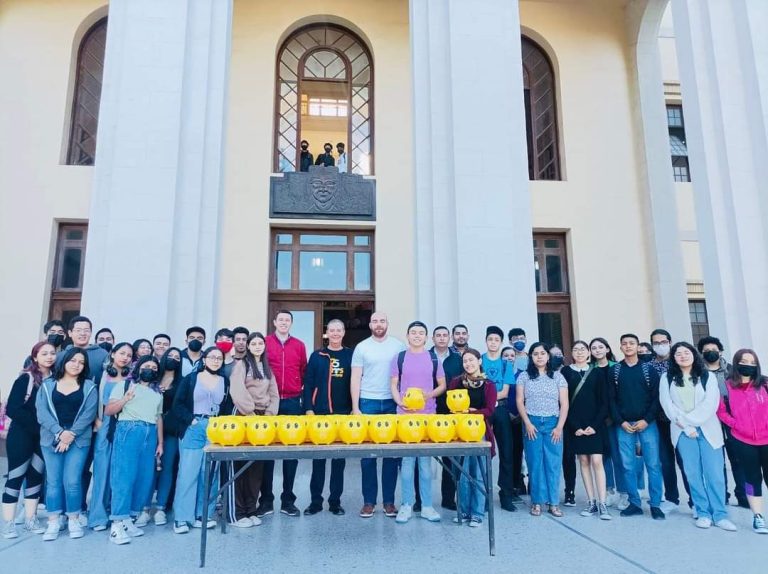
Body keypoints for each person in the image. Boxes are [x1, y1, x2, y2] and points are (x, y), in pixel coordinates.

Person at [660, 342, 736, 531]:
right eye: (678, 353)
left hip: (708, 429)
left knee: (715, 474)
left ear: (694, 355)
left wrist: (689, 422)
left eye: (686, 352)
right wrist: (686, 427)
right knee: (692, 474)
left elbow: (710, 404)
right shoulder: (667, 378)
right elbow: (667, 405)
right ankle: (703, 512)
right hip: (683, 433)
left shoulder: (707, 376)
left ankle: (720, 514)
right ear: (673, 358)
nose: (683, 356)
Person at [35, 347, 98, 541]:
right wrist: (60, 433)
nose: (76, 365)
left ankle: (73, 519)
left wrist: (70, 434)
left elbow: (89, 413)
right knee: (53, 481)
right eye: (73, 360)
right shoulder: (48, 384)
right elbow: (41, 412)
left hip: (78, 440)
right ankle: (54, 521)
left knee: (72, 481)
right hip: (51, 439)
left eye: (81, 362)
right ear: (64, 361)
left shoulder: (89, 386)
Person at [169, 346, 232, 534]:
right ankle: (181, 518)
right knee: (188, 473)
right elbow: (177, 404)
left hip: (215, 429)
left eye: (219, 358)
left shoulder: (225, 381)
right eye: (212, 357)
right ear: (204, 360)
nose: (215, 360)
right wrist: (191, 420)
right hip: (194, 427)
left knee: (210, 474)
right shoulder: (191, 379)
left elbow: (227, 408)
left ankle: (202, 515)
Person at [351, 311, 406, 518]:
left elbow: (405, 375)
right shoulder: (362, 347)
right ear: (370, 325)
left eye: (382, 321)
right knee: (368, 456)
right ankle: (369, 502)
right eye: (375, 321)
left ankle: (389, 502)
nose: (379, 324)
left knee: (391, 454)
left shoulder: (398, 346)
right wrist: (356, 407)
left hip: (392, 402)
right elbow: (355, 378)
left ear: (387, 324)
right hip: (368, 402)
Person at [104, 356, 164, 545]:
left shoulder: (157, 393)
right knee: (124, 476)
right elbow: (109, 410)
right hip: (129, 429)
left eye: (154, 367)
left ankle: (128, 518)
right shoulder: (124, 385)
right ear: (138, 368)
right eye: (146, 366)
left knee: (143, 478)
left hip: (150, 433)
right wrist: (125, 399)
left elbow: (159, 417)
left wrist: (160, 443)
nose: (150, 369)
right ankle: (116, 523)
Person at [391, 321, 446, 524]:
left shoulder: (433, 358)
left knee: (425, 464)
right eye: (413, 332)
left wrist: (428, 395)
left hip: (427, 415)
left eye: (421, 333)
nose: (416, 335)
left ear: (426, 337)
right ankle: (406, 505)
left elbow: (442, 385)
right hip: (405, 416)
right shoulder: (399, 358)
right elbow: (393, 384)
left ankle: (427, 506)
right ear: (407, 336)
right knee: (407, 463)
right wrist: (399, 401)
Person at [2, 342, 56, 538]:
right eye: (44, 353)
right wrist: (39, 428)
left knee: (35, 477)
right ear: (35, 357)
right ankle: (8, 524)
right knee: (16, 477)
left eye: (52, 353)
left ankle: (30, 520)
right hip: (22, 436)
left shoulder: (56, 380)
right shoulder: (26, 378)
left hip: (42, 438)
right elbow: (13, 408)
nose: (49, 357)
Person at [609, 334, 665, 520]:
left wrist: (646, 420)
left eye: (631, 343)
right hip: (624, 425)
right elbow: (611, 400)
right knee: (627, 465)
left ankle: (655, 504)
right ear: (620, 347)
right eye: (624, 343)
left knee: (653, 464)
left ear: (638, 346)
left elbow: (657, 398)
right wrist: (621, 421)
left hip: (647, 424)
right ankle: (634, 503)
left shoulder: (649, 370)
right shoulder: (615, 371)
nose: (628, 346)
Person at [226, 333, 279, 527]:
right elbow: (237, 390)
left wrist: (269, 414)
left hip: (262, 419)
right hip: (244, 415)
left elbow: (274, 393)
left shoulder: (267, 367)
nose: (257, 346)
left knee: (256, 467)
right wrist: (250, 412)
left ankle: (251, 509)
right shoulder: (242, 365)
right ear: (248, 346)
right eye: (254, 343)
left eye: (260, 343)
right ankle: (236, 514)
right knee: (239, 464)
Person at [259, 310, 307, 518]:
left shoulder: (299, 345)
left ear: (291, 323)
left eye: (287, 320)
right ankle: (266, 500)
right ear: (274, 322)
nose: (284, 323)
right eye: (281, 320)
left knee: (290, 452)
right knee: (267, 451)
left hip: (292, 402)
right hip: (270, 402)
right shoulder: (265, 343)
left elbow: (303, 370)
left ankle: (288, 500)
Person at [303, 320, 353, 516]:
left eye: (338, 330)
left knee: (339, 462)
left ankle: (335, 502)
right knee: (318, 461)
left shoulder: (350, 355)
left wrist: (353, 408)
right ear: (327, 333)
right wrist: (309, 408)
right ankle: (315, 502)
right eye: (332, 330)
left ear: (344, 332)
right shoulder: (317, 356)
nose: (335, 333)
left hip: (343, 414)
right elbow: (308, 384)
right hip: (320, 414)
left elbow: (356, 382)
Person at [717, 349, 768, 534]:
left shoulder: (764, 384)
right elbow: (721, 411)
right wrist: (736, 424)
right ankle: (758, 517)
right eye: (744, 361)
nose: (748, 365)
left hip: (766, 439)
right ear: (736, 362)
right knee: (751, 478)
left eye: (752, 362)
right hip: (743, 440)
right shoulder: (726, 386)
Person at [516, 342, 569, 517]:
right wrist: (527, 423)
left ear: (548, 356)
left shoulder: (558, 377)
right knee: (535, 463)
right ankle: (537, 502)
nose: (539, 356)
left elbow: (564, 403)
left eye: (543, 353)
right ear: (531, 357)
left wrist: (559, 427)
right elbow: (519, 401)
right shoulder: (524, 376)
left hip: (553, 423)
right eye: (535, 353)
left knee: (553, 464)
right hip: (532, 423)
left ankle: (553, 503)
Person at [87, 342, 134, 532]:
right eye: (122, 353)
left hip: (125, 426)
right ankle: (97, 516)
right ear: (113, 354)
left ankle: (116, 512)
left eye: (129, 355)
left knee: (120, 471)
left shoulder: (133, 378)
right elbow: (91, 400)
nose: (125, 357)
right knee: (102, 470)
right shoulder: (102, 375)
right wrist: (95, 420)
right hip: (104, 426)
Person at [563, 340, 611, 520]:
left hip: (595, 425)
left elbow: (604, 402)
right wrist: (575, 426)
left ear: (589, 353)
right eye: (576, 349)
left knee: (597, 461)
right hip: (575, 425)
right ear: (571, 353)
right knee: (583, 461)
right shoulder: (565, 372)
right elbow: (563, 402)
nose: (580, 352)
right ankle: (591, 502)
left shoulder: (597, 373)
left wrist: (595, 426)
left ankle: (602, 503)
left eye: (583, 349)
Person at [449, 348, 497, 527]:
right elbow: (451, 406)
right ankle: (463, 511)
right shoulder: (456, 382)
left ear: (479, 361)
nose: (468, 364)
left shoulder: (489, 385)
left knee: (478, 474)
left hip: (479, 433)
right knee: (462, 473)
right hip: (459, 433)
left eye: (471, 360)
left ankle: (477, 513)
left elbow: (490, 410)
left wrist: (472, 412)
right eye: (465, 361)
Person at [698, 336, 747, 508]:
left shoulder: (733, 371)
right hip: (710, 419)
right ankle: (721, 495)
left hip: (733, 419)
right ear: (701, 353)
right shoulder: (699, 373)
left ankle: (743, 495)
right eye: (706, 351)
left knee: (739, 460)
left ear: (720, 351)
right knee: (717, 461)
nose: (710, 353)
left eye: (714, 350)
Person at [649, 328, 691, 513]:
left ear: (670, 342)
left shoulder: (679, 364)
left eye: (663, 342)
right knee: (666, 461)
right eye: (656, 343)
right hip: (659, 420)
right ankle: (672, 498)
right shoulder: (649, 366)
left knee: (685, 461)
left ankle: (694, 501)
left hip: (680, 420)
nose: (660, 345)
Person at [482, 326, 517, 512]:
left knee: (507, 451)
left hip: (501, 409)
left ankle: (506, 494)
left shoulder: (505, 365)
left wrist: (492, 399)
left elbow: (505, 391)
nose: (493, 342)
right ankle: (483, 495)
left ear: (501, 342)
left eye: (496, 340)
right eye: (490, 339)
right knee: (483, 451)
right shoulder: (479, 361)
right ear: (486, 341)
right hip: (483, 411)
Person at [590, 337, 627, 509]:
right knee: (603, 456)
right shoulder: (590, 369)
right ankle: (608, 490)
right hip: (598, 419)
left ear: (607, 349)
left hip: (616, 418)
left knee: (618, 456)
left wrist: (615, 416)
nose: (597, 350)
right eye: (594, 348)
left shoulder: (617, 367)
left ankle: (624, 492)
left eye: (600, 347)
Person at [151, 347, 184, 526]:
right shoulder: (152, 377)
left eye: (177, 357)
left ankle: (161, 507)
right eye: (170, 356)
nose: (173, 359)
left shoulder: (182, 382)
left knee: (167, 467)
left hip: (170, 430)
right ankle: (143, 507)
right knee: (147, 468)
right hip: (149, 427)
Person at [433, 325, 463, 510]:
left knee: (450, 457)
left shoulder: (457, 359)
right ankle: (420, 501)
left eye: (445, 335)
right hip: (430, 409)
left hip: (452, 412)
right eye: (438, 335)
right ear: (433, 339)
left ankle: (448, 498)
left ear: (449, 338)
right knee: (421, 458)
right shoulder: (427, 356)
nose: (442, 338)